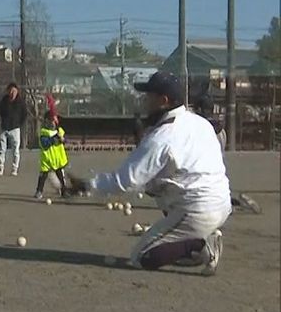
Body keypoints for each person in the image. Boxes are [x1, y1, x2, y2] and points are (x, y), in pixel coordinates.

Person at [66, 72, 230, 274]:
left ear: (164, 100)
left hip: (196, 209)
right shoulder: (199, 123)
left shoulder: (162, 137)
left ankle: (200, 246)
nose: (144, 101)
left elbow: (125, 181)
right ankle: (195, 241)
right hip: (221, 203)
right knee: (159, 188)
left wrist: (86, 185)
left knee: (141, 257)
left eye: (149, 96)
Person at [193, 95, 260, 214]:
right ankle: (239, 202)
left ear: (200, 109)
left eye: (196, 109)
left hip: (206, 170)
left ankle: (241, 206)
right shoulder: (219, 128)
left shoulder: (202, 127)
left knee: (210, 201)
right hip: (216, 168)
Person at [35, 111, 69, 200]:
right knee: (43, 176)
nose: (53, 123)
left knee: (61, 176)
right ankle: (39, 191)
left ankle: (64, 191)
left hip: (57, 159)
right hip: (47, 159)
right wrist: (54, 138)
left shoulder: (60, 131)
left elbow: (64, 141)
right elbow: (45, 144)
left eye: (54, 121)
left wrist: (62, 139)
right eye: (51, 120)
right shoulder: (44, 133)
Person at [0, 82, 27, 176]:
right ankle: (1, 168)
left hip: (15, 128)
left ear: (17, 91)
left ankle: (14, 169)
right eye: (10, 91)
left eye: (14, 91)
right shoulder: (4, 101)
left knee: (15, 150)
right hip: (4, 128)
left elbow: (24, 114)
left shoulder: (21, 102)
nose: (12, 93)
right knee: (2, 149)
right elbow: (1, 112)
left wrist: (18, 124)